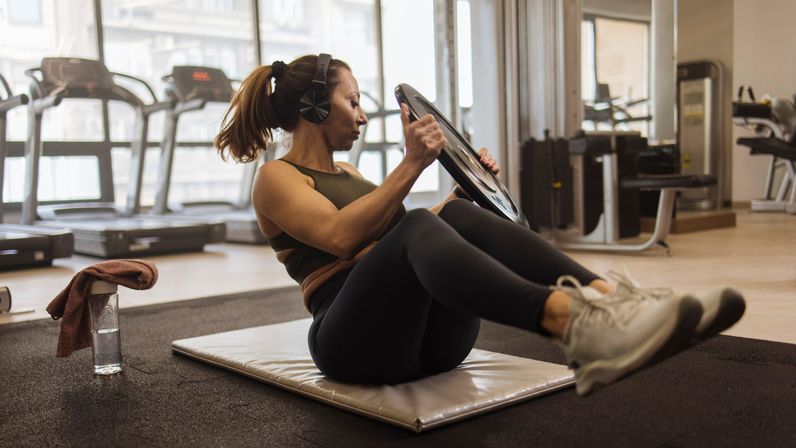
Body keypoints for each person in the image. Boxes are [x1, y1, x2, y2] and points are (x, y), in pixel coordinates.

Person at [214, 54, 746, 396]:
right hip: (354, 343)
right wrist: (412, 165)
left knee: (455, 212)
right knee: (420, 223)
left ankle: (616, 302)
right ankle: (573, 324)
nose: (362, 115)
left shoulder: (350, 174)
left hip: (432, 344)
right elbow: (341, 237)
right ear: (312, 105)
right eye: (352, 102)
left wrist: (468, 188)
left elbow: (407, 237)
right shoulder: (277, 178)